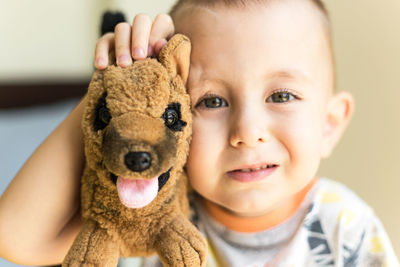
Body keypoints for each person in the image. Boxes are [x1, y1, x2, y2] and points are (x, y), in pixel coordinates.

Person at [0, 0, 398, 266]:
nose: (247, 132)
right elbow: (16, 236)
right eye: (211, 101)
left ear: (329, 124)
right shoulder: (150, 214)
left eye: (281, 95)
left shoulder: (346, 226)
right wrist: (114, 89)